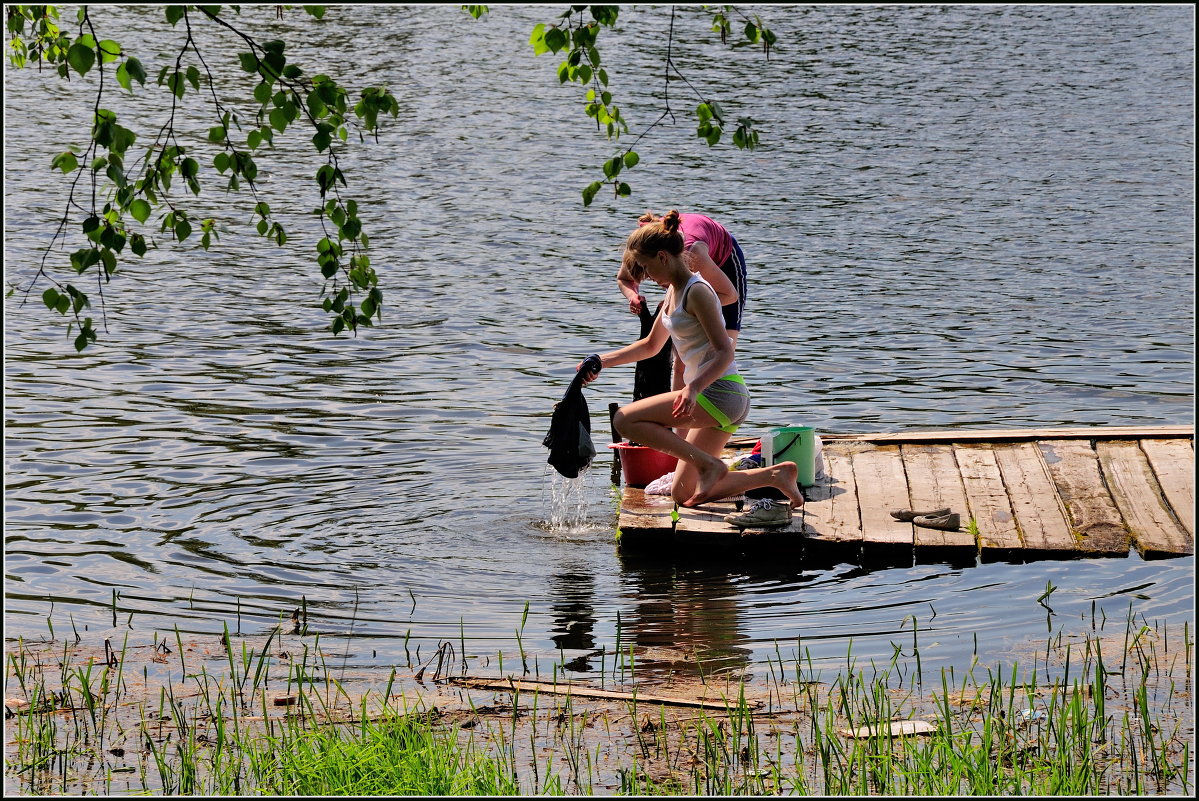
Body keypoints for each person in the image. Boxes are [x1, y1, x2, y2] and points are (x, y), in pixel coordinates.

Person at [579, 211, 803, 524]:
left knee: (624, 420)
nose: (646, 274)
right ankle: (777, 475)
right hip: (716, 401)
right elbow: (650, 346)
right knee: (682, 495)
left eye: (646, 266)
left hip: (720, 393)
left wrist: (693, 386)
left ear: (662, 256)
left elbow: (725, 351)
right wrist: (600, 360)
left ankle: (709, 465)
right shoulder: (673, 292)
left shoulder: (697, 291)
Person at [616, 210, 748, 346]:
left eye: (647, 271)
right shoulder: (639, 249)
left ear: (662, 258)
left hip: (724, 259)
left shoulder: (692, 256)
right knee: (682, 341)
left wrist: (681, 306)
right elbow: (624, 279)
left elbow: (730, 296)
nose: (650, 277)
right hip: (678, 258)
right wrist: (633, 296)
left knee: (725, 344)